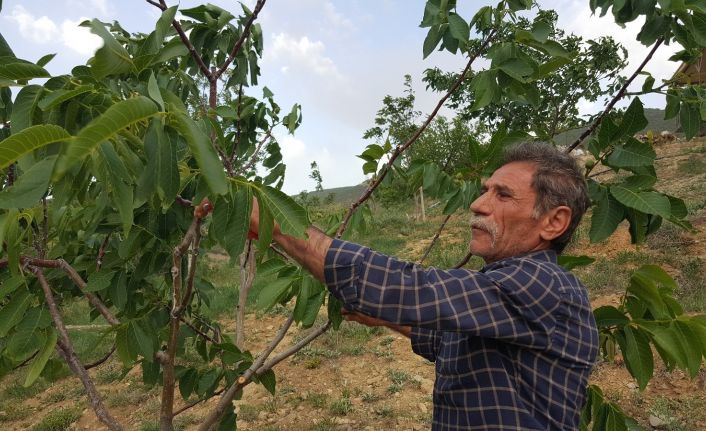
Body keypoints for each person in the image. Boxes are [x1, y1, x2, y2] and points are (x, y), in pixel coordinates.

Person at [248, 142, 598, 430]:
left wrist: (276, 222)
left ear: (553, 222)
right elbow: (449, 342)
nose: (477, 204)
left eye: (503, 195)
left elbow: (412, 288)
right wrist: (383, 317)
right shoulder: (502, 295)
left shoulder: (543, 283)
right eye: (484, 191)